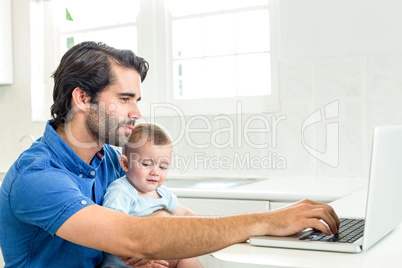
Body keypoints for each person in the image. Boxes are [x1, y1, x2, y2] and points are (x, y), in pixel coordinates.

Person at [0, 41, 340, 268]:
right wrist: (268, 220)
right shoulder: (38, 177)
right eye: (125, 99)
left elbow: (148, 225)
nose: (136, 113)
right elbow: (133, 235)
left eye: (137, 101)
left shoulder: (109, 162)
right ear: (81, 98)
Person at [101, 123, 202, 268]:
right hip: (125, 263)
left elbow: (185, 214)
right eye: (147, 164)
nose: (155, 172)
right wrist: (136, 255)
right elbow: (111, 231)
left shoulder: (163, 193)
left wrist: (207, 230)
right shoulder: (121, 191)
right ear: (125, 164)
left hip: (159, 259)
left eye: (163, 167)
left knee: (187, 257)